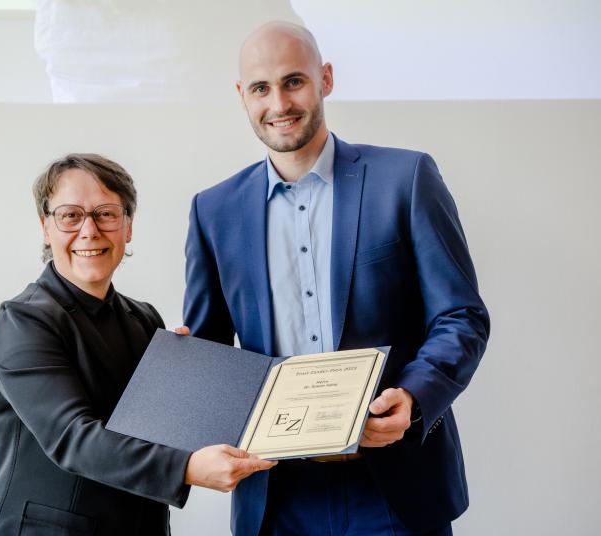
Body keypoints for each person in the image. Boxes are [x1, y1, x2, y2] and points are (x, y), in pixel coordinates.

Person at [183, 22, 490, 536]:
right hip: (276, 496)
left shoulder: (406, 178)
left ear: (325, 78)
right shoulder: (213, 210)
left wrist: (413, 398)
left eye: (294, 81)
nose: (278, 102)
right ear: (242, 96)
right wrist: (184, 362)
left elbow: (461, 316)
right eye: (261, 88)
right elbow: (213, 350)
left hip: (395, 484)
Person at [0, 153, 275, 536]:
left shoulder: (144, 320)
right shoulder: (23, 322)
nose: (89, 231)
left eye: (106, 214)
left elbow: (161, 430)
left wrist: (191, 377)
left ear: (128, 227)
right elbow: (73, 437)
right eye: (70, 215)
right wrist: (187, 468)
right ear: (45, 228)